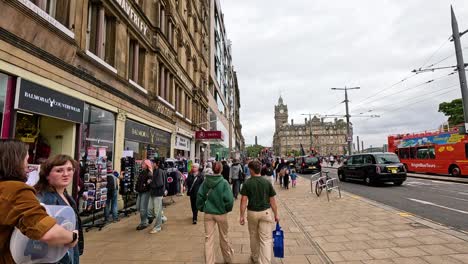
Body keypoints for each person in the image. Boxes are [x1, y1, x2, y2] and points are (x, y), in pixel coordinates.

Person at [0, 139, 79, 264]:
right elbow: (46, 232)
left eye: (70, 170)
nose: (27, 166)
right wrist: (73, 237)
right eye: (26, 160)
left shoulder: (69, 197)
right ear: (14, 161)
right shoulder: (15, 190)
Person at [35, 154, 84, 264]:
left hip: (68, 255)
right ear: (47, 175)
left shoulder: (67, 196)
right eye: (59, 171)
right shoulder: (46, 199)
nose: (66, 174)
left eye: (70, 169)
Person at [240, 160, 279, 264]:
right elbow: (272, 201)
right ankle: (265, 261)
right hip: (266, 212)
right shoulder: (266, 182)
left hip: (252, 212)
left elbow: (243, 200)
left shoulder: (247, 183)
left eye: (249, 169)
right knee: (266, 239)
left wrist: (241, 215)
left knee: (253, 236)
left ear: (252, 170)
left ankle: (255, 257)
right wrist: (276, 214)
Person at [196, 162, 234, 264]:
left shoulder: (206, 182)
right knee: (224, 237)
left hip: (208, 213)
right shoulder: (224, 183)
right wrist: (226, 209)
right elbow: (230, 200)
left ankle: (209, 262)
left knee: (208, 239)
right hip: (221, 213)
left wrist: (202, 207)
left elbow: (199, 196)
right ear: (221, 170)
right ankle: (228, 259)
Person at [148, 159, 167, 233]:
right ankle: (162, 218)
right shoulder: (156, 171)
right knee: (150, 209)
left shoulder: (159, 171)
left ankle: (157, 227)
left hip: (157, 193)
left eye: (152, 163)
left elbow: (159, 183)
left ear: (156, 164)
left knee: (157, 211)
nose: (151, 164)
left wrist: (150, 182)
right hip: (154, 193)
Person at [135, 159, 153, 230]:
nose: (142, 165)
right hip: (140, 192)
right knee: (138, 207)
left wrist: (145, 186)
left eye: (143, 164)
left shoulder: (149, 173)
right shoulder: (141, 172)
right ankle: (149, 217)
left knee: (143, 208)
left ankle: (144, 223)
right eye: (142, 164)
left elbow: (149, 183)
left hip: (146, 192)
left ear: (147, 165)